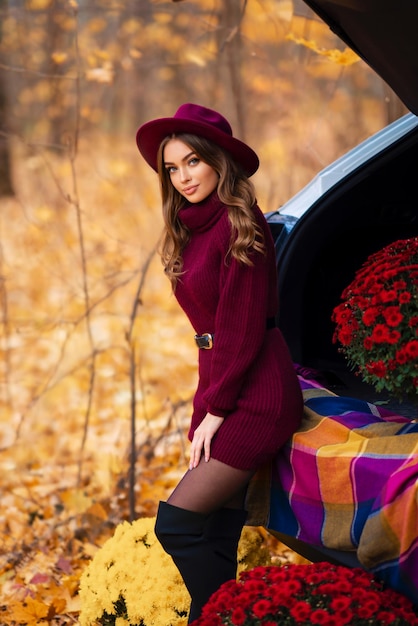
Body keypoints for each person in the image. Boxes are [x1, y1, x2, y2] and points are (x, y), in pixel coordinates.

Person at [135, 103, 303, 623]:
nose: (183, 177)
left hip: (259, 392)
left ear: (219, 162)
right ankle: (217, 616)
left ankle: (222, 617)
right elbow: (213, 335)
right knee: (215, 534)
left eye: (193, 163)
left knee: (178, 524)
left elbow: (242, 329)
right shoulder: (191, 226)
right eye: (172, 168)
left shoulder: (239, 223)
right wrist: (207, 403)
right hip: (221, 384)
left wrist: (216, 410)